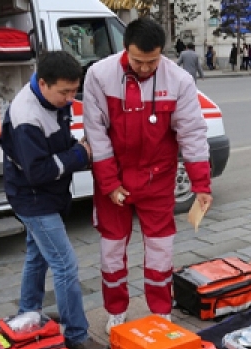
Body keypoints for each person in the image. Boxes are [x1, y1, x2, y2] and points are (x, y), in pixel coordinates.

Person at [82, 18, 213, 333]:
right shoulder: (99, 75)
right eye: (138, 61)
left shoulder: (179, 79)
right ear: (125, 49)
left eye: (152, 61)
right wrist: (110, 183)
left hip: (158, 179)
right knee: (112, 249)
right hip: (113, 180)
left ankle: (160, 309)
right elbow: (95, 134)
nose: (144, 68)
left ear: (162, 53)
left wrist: (201, 184)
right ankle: (116, 309)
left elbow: (193, 134)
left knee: (160, 247)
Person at [0, 51, 110, 349]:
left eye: (74, 91)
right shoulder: (26, 115)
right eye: (64, 92)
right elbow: (37, 172)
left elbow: (56, 145)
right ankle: (76, 334)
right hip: (33, 198)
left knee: (38, 256)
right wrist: (79, 155)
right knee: (64, 264)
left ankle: (29, 314)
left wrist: (76, 148)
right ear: (43, 83)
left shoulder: (52, 101)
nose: (69, 98)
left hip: (45, 195)